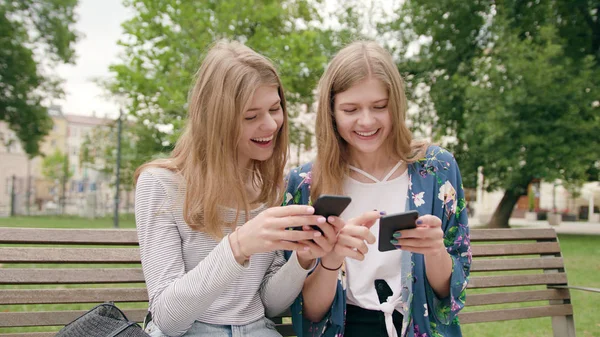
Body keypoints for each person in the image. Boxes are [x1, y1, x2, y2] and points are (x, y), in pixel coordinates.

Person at [134, 41, 337, 337]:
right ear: (215, 120)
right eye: (251, 116)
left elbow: (268, 304)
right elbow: (167, 318)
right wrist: (238, 246)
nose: (270, 125)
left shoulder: (271, 187)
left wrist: (303, 260)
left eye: (275, 108)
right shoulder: (161, 184)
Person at [283, 41, 472, 337]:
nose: (367, 121)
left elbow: (448, 296)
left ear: (395, 105)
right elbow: (310, 314)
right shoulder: (306, 182)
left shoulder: (436, 169)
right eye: (350, 109)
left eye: (379, 107)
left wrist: (435, 251)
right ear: (331, 111)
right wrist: (332, 260)